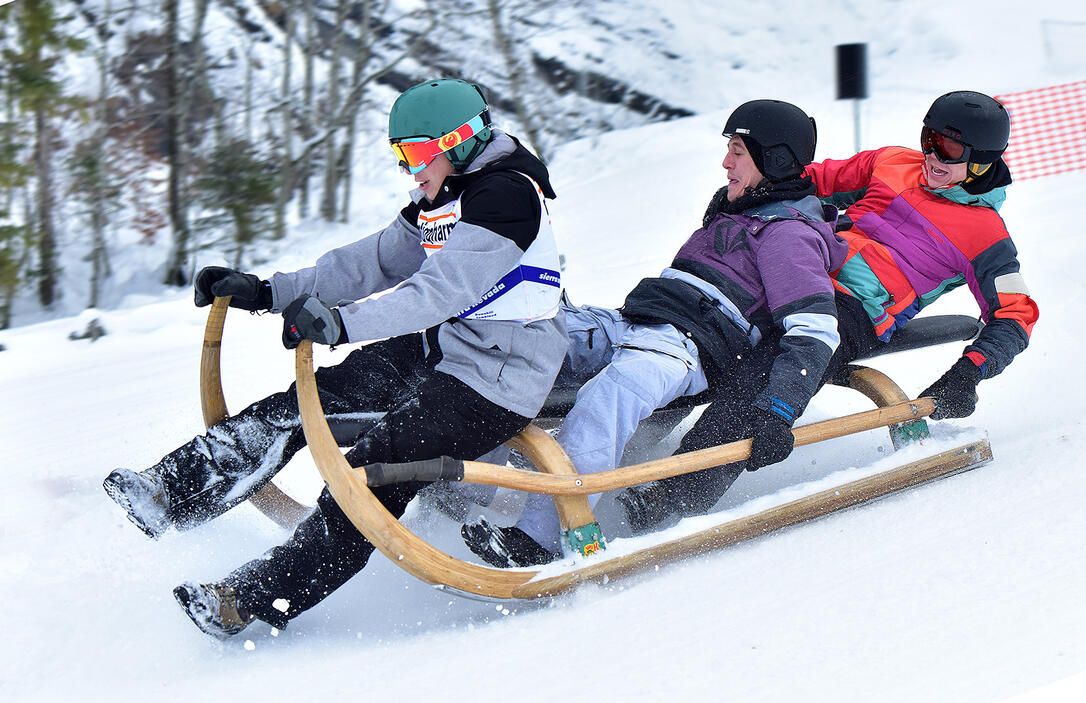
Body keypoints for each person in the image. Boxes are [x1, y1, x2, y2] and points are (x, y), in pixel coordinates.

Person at [101, 78, 567, 637]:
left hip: (498, 376)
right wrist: (268, 292)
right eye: (400, 154)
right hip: (438, 348)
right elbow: (371, 262)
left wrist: (342, 324)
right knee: (307, 403)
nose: (408, 168)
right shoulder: (443, 193)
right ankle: (168, 491)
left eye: (417, 152)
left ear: (462, 140)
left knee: (374, 467)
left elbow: (438, 292)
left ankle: (248, 599)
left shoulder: (507, 197)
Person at [613, 89, 1039, 534]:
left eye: (949, 149)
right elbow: (803, 177)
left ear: (982, 160)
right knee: (704, 337)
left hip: (850, 310)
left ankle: (671, 494)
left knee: (762, 374)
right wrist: (740, 193)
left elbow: (1017, 312)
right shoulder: (891, 162)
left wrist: (969, 372)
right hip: (788, 271)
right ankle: (622, 441)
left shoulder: (986, 234)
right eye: (928, 138)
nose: (932, 155)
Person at [461, 99, 849, 567]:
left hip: (681, 348)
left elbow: (813, 333)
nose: (726, 162)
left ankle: (540, 541)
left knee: (608, 397)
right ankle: (464, 489)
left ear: (778, 160)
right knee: (513, 342)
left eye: (739, 151)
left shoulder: (789, 234)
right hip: (630, 320)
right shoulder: (739, 212)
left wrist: (778, 410)